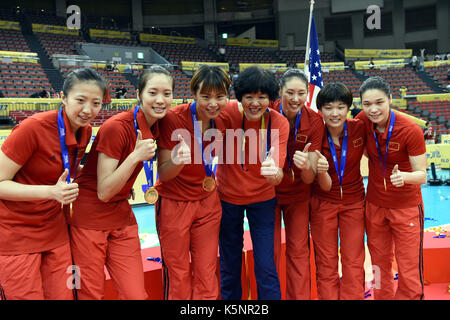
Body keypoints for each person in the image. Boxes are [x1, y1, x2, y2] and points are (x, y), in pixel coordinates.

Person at [69, 65, 174, 300]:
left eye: (167, 94)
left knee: (136, 294)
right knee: (91, 294)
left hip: (121, 213)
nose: (160, 100)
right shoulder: (117, 127)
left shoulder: (159, 124)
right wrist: (135, 157)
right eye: (153, 93)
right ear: (138, 94)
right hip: (90, 217)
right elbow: (104, 191)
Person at [0, 68, 106, 300]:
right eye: (80, 100)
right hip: (16, 234)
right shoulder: (33, 128)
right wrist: (51, 191)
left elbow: (63, 170)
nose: (88, 110)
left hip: (56, 231)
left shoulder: (85, 131)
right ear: (63, 97)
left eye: (96, 103)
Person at [155, 65, 232, 300]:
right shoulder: (172, 119)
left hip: (208, 203)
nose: (213, 103)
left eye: (220, 96)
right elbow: (165, 173)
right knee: (177, 273)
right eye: (205, 96)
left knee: (207, 271)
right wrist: (177, 161)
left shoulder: (225, 120)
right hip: (174, 203)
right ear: (193, 93)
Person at [217, 65, 289, 300]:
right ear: (240, 98)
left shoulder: (279, 123)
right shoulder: (226, 112)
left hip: (263, 200)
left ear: (270, 98)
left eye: (262, 97)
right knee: (230, 261)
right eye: (249, 97)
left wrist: (274, 174)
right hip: (228, 199)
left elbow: (277, 173)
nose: (255, 103)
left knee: (266, 265)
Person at [356, 76, 427, 300]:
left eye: (379, 102)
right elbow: (367, 152)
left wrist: (404, 176)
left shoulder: (410, 130)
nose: (373, 109)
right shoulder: (362, 121)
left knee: (408, 266)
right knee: (378, 264)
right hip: (375, 206)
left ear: (390, 100)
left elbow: (422, 175)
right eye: (367, 104)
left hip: (406, 207)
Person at [271, 68, 324, 300]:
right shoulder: (265, 113)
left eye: (301, 93)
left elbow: (311, 178)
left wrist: (306, 167)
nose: (295, 99)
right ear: (280, 91)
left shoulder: (314, 122)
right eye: (290, 92)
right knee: (268, 253)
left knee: (299, 252)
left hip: (300, 195)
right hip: (267, 194)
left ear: (307, 95)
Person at [310, 82, 366, 300]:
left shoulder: (360, 128)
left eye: (341, 107)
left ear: (349, 108)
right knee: (326, 262)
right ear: (321, 109)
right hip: (323, 203)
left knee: (353, 260)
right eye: (329, 107)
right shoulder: (315, 134)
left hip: (354, 203)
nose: (335, 113)